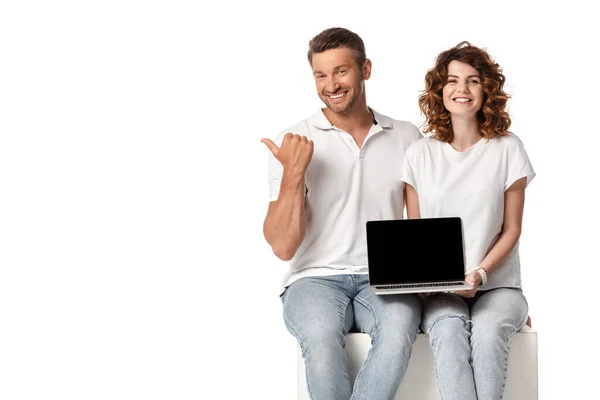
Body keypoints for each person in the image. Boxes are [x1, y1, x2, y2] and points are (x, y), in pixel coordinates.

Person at [261, 27, 422, 400]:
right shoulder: (295, 139)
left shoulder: (407, 136)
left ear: (365, 69)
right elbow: (283, 247)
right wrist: (294, 173)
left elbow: (423, 222)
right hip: (313, 279)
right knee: (319, 337)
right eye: (320, 75)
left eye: (341, 71)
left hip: (384, 277)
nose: (331, 84)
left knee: (399, 329)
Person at [401, 41, 535, 400]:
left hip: (499, 286)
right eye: (452, 81)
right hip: (442, 289)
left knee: (489, 333)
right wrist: (431, 282)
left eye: (473, 81)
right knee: (447, 331)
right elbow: (417, 235)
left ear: (486, 89)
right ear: (439, 90)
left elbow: (512, 230)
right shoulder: (419, 154)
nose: (462, 90)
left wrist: (479, 274)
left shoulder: (508, 148)